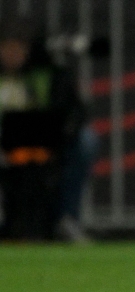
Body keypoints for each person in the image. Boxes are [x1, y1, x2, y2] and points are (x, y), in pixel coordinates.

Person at [0, 15, 85, 240]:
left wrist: (61, 140)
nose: (12, 55)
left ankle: (65, 220)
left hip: (44, 144)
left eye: (17, 49)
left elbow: (74, 112)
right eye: (6, 49)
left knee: (87, 142)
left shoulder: (49, 74)